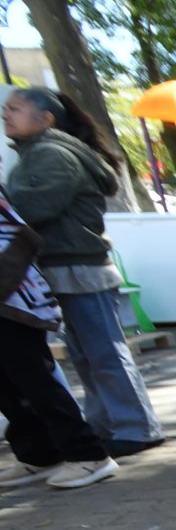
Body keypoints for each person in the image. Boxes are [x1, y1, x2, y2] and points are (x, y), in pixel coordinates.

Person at [2, 87, 163, 457]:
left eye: (15, 108)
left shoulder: (52, 154)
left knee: (103, 352)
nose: (6, 114)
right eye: (5, 109)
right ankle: (108, 425)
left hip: (81, 267)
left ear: (46, 119)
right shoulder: (37, 154)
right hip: (68, 267)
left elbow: (31, 207)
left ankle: (137, 428)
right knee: (87, 355)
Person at [0, 191, 116, 489]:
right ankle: (39, 454)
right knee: (7, 385)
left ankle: (88, 455)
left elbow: (15, 235)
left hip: (12, 296)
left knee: (34, 377)